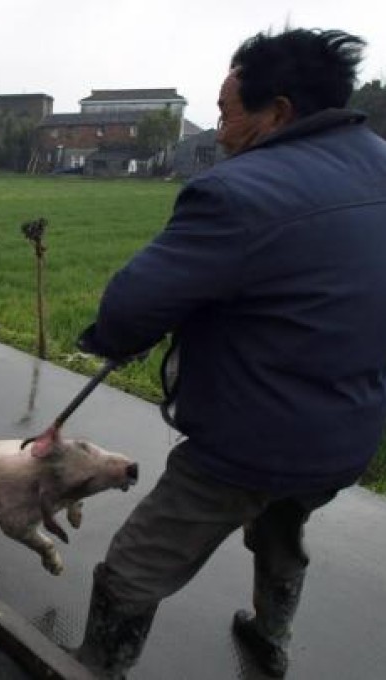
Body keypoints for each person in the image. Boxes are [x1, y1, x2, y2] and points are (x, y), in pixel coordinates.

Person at [65, 28, 386, 678]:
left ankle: (97, 666)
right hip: (350, 434)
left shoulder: (241, 191)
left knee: (133, 566)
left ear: (279, 113)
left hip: (251, 439)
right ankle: (272, 638)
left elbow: (131, 307)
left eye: (226, 112)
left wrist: (112, 340)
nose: (218, 129)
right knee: (281, 529)